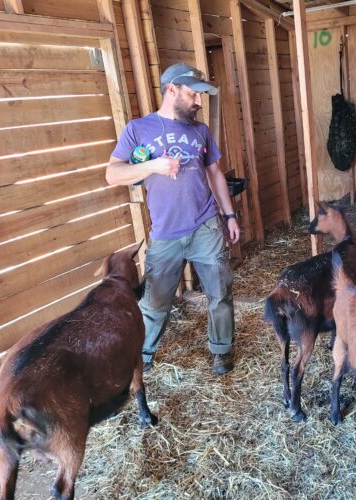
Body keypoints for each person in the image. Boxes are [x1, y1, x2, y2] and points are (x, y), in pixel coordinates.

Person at [106, 63, 240, 375]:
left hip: (206, 225)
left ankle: (221, 351)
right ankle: (142, 356)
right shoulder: (138, 129)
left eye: (201, 96)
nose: (198, 101)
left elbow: (215, 173)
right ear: (172, 90)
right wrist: (153, 166)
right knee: (153, 302)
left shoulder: (200, 131)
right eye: (193, 94)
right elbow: (113, 173)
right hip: (165, 233)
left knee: (220, 294)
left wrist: (229, 215)